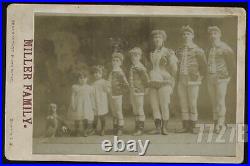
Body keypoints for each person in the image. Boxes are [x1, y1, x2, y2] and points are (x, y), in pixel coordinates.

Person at [176, 25, 207, 134]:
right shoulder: (179, 50)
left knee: (192, 103)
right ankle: (185, 126)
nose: (186, 36)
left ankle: (193, 126)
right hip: (181, 79)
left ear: (192, 36)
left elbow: (204, 66)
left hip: (193, 80)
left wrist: (199, 78)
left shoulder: (198, 50)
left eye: (188, 34)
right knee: (183, 102)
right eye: (184, 34)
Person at [148, 29, 178, 135]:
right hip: (153, 80)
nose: (156, 39)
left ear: (163, 39)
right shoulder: (151, 53)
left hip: (164, 81)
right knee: (154, 105)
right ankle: (157, 128)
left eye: (159, 37)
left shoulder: (168, 52)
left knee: (164, 104)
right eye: (155, 37)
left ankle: (164, 128)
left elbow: (174, 68)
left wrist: (170, 79)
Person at [207, 26, 236, 134]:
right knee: (214, 101)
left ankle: (220, 123)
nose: (213, 36)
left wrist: (228, 77)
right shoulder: (210, 48)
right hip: (211, 78)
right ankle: (217, 123)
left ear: (220, 35)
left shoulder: (225, 48)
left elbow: (232, 65)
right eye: (211, 34)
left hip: (221, 78)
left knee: (220, 101)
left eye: (215, 33)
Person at [129, 47, 149, 136]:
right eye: (132, 56)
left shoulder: (141, 67)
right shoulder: (132, 67)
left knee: (139, 108)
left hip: (139, 90)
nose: (134, 57)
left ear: (140, 57)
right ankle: (136, 126)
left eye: (136, 55)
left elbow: (146, 79)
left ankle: (140, 128)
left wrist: (146, 88)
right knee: (135, 109)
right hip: (133, 90)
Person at [68, 71, 95, 137]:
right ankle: (77, 130)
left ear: (87, 79)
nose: (82, 79)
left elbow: (91, 97)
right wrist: (73, 104)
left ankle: (85, 131)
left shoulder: (89, 87)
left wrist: (93, 105)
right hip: (78, 105)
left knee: (85, 118)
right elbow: (73, 96)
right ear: (78, 79)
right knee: (77, 118)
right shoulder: (75, 87)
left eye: (84, 78)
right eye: (80, 78)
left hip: (86, 105)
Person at [108, 52, 129, 136]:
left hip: (118, 94)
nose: (115, 62)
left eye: (117, 60)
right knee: (113, 111)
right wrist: (108, 87)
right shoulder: (111, 72)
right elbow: (108, 81)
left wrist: (121, 91)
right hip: (111, 94)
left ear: (120, 63)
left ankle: (120, 128)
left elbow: (126, 84)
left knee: (118, 111)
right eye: (113, 60)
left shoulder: (120, 73)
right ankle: (115, 127)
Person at [92, 65, 110, 136]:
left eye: (99, 73)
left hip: (102, 101)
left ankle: (103, 129)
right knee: (95, 117)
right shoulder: (93, 83)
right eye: (95, 73)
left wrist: (107, 86)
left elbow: (108, 91)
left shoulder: (104, 82)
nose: (96, 74)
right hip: (95, 101)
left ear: (102, 74)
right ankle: (94, 129)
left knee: (102, 116)